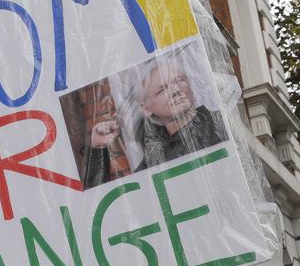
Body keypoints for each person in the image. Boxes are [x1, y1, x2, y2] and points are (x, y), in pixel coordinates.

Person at [83, 58, 227, 188]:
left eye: (180, 80)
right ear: (145, 108)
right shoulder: (154, 160)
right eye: (162, 90)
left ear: (190, 85)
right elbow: (99, 198)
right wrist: (98, 150)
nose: (175, 90)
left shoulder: (222, 124)